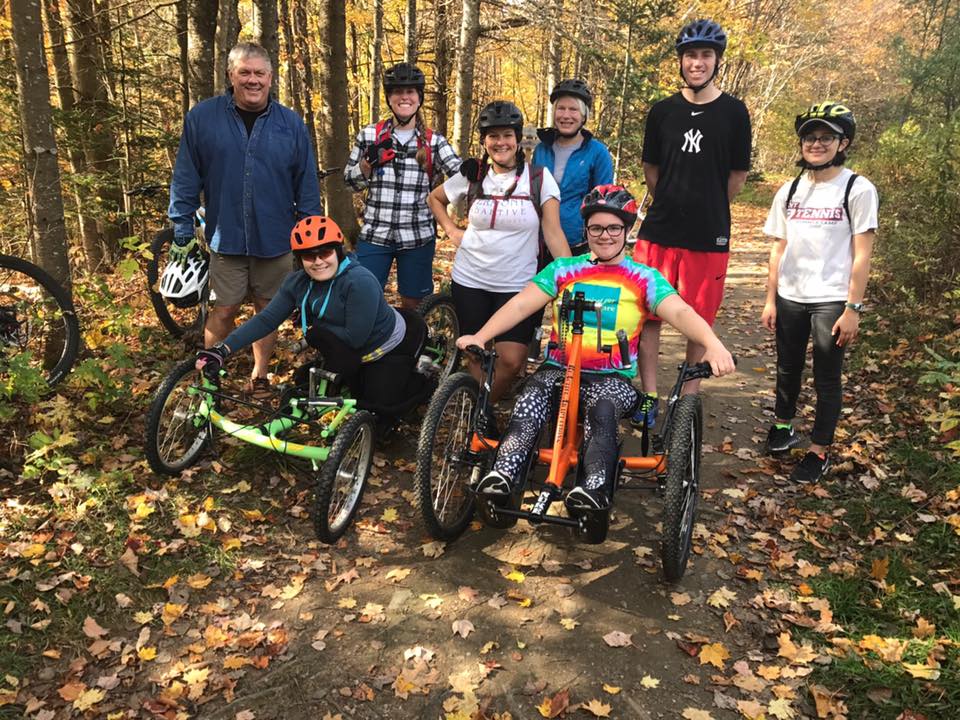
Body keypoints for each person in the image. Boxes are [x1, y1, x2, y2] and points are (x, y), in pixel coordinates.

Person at [457, 185, 736, 512]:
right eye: (596, 228)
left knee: (602, 412)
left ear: (627, 230)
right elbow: (520, 305)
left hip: (612, 379)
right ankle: (504, 473)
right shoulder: (565, 270)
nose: (605, 235)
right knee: (530, 399)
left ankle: (593, 490)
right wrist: (481, 335)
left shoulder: (643, 277)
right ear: (586, 230)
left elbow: (680, 311)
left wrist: (712, 344)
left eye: (614, 228)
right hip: (558, 371)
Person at [169, 42, 322, 395]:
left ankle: (260, 375)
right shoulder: (203, 119)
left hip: (277, 237)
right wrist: (181, 225)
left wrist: (312, 236)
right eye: (245, 73)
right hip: (227, 236)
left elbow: (306, 183)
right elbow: (186, 176)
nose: (252, 80)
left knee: (267, 310)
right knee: (223, 310)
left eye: (259, 74)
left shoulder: (290, 124)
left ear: (270, 78)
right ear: (230, 76)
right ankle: (210, 378)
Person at [632, 19, 751, 427]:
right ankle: (647, 396)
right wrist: (672, 200)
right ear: (680, 62)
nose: (697, 63)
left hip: (708, 235)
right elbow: (652, 167)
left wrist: (707, 205)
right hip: (659, 233)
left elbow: (737, 175)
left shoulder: (734, 112)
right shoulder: (663, 111)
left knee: (698, 321)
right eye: (690, 56)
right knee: (647, 318)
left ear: (716, 60)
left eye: (705, 55)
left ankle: (687, 397)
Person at [426, 101, 570, 415]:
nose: (500, 142)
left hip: (518, 285)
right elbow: (434, 198)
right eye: (493, 136)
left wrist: (571, 277)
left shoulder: (538, 178)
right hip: (471, 280)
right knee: (477, 353)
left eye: (507, 135)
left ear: (518, 140)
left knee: (512, 359)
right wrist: (451, 230)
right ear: (484, 141)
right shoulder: (473, 175)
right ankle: (477, 419)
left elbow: (554, 232)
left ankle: (483, 405)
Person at [195, 216, 427, 409]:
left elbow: (355, 338)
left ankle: (426, 379)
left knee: (380, 410)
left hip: (387, 346)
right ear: (299, 259)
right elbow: (266, 319)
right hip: (341, 348)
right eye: (308, 255)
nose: (317, 261)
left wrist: (313, 326)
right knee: (302, 392)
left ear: (338, 252)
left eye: (325, 252)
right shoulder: (296, 282)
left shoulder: (360, 282)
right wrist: (223, 349)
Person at [761, 102, 878, 483]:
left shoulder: (857, 189)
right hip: (791, 295)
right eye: (810, 137)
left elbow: (862, 254)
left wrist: (853, 308)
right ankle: (783, 426)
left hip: (832, 298)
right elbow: (778, 247)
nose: (816, 144)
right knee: (787, 366)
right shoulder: (791, 189)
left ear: (843, 143)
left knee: (826, 376)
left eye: (826, 137)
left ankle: (819, 450)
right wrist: (769, 298)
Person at [344, 63, 461, 310]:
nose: (404, 97)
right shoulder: (370, 136)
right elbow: (349, 182)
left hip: (417, 236)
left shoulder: (434, 141)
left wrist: (476, 172)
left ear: (419, 98)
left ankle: (411, 346)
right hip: (375, 234)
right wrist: (366, 165)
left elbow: (460, 174)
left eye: (411, 92)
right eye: (397, 91)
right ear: (389, 97)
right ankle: (373, 345)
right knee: (363, 298)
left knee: (415, 304)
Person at [532, 79, 614, 254]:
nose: (566, 115)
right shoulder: (541, 150)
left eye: (573, 109)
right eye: (561, 108)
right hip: (538, 243)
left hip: (577, 244)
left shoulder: (597, 152)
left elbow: (604, 203)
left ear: (583, 115)